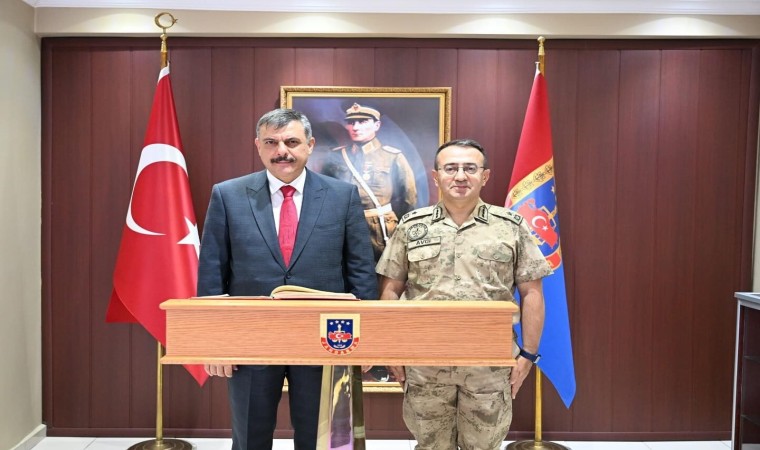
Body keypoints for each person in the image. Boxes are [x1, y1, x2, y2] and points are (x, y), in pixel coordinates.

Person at [197, 108, 378, 450]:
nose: (282, 151)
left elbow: (360, 272)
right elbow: (211, 272)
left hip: (326, 337)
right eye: (271, 142)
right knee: (250, 436)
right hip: (250, 337)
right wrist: (214, 341)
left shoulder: (342, 196)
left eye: (292, 142)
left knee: (320, 438)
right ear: (258, 146)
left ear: (310, 145)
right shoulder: (228, 195)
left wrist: (365, 339)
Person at [375, 139, 552, 450]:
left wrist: (527, 355)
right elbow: (391, 289)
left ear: (485, 176)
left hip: (489, 363)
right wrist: (392, 350)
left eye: (470, 168)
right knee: (431, 445)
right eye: (450, 168)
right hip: (425, 361)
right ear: (436, 176)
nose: (460, 176)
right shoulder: (411, 226)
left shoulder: (510, 227)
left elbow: (532, 293)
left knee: (483, 446)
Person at [321, 102, 418, 262]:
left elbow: (409, 198)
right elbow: (324, 195)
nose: (355, 127)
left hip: (380, 230)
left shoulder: (392, 157)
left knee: (383, 273)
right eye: (351, 122)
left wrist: (396, 226)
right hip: (345, 228)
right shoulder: (336, 157)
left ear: (377, 125)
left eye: (363, 121)